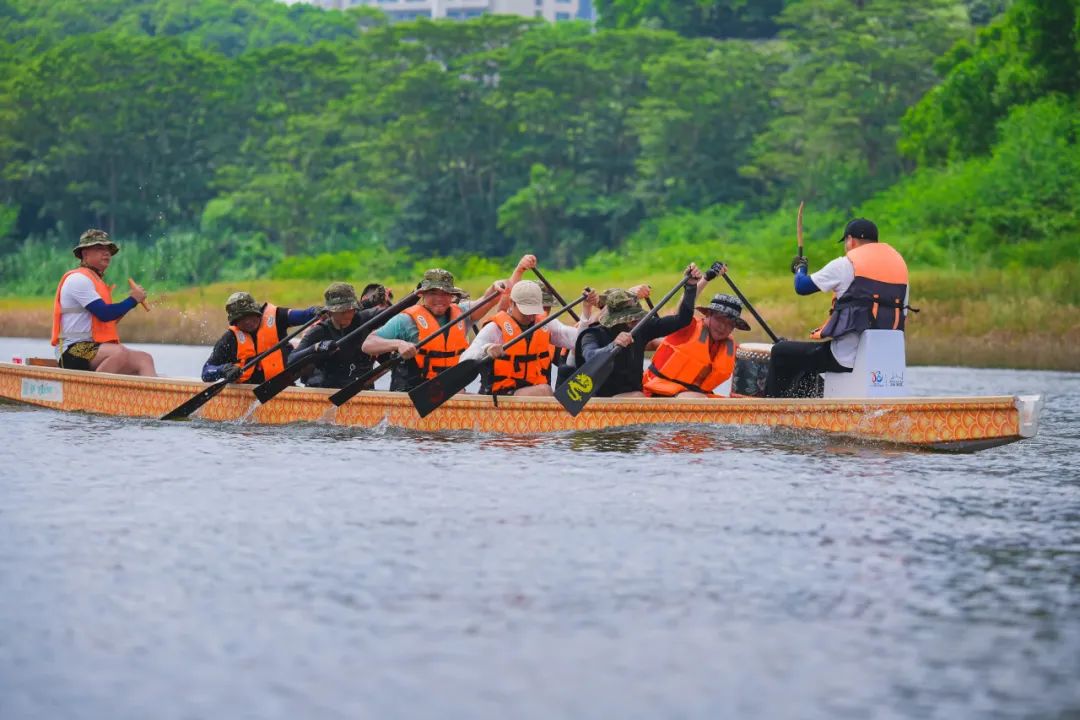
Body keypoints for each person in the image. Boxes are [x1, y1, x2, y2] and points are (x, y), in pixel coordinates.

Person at [766, 218, 909, 397]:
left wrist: (800, 268)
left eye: (846, 243)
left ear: (851, 240)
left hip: (846, 358)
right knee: (806, 359)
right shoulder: (901, 272)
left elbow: (801, 286)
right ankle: (810, 405)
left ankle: (770, 410)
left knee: (781, 351)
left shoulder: (845, 265)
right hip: (885, 361)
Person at [571, 264, 705, 398]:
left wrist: (690, 287)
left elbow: (682, 319)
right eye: (629, 318)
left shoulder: (641, 328)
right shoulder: (592, 335)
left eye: (635, 316)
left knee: (639, 395)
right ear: (614, 319)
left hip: (632, 398)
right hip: (599, 402)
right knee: (637, 396)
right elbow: (590, 357)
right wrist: (613, 346)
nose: (634, 320)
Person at [361, 268, 505, 392]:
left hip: (449, 391)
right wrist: (398, 344)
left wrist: (495, 287)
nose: (439, 299)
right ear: (422, 294)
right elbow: (368, 345)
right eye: (433, 293)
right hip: (413, 393)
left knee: (459, 391)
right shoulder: (405, 320)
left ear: (451, 295)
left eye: (445, 293)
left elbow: (488, 299)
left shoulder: (463, 313)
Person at [461, 281, 595, 397]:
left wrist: (586, 310)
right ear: (512, 303)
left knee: (545, 391)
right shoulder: (495, 328)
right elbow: (466, 358)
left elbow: (577, 340)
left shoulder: (545, 324)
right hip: (501, 396)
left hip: (532, 394)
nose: (531, 317)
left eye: (533, 311)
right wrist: (487, 349)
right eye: (526, 311)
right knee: (544, 391)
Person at [50, 229, 156, 376]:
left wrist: (132, 301)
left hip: (95, 347)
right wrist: (132, 300)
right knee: (119, 353)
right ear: (85, 254)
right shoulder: (78, 279)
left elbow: (108, 321)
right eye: (100, 248)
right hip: (71, 350)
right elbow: (105, 314)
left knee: (145, 359)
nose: (106, 253)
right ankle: (93, 394)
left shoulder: (95, 281)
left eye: (108, 250)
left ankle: (148, 398)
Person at [642, 291, 750, 398]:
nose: (723, 327)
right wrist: (696, 283)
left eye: (730, 324)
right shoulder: (689, 327)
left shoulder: (731, 348)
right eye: (719, 320)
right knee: (698, 399)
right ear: (708, 314)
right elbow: (682, 312)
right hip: (657, 390)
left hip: (694, 396)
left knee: (730, 406)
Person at [201, 292, 322, 384]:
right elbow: (206, 372)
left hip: (283, 385)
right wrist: (224, 370)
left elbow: (304, 315)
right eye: (241, 319)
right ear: (235, 322)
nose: (248, 321)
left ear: (257, 311)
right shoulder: (229, 339)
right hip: (247, 392)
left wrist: (315, 311)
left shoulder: (277, 316)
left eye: (250, 315)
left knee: (314, 354)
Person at [290, 282, 388, 389]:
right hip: (329, 391)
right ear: (331, 312)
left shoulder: (365, 318)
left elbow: (395, 313)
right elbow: (291, 360)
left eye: (351, 309)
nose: (348, 314)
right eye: (342, 311)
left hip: (363, 391)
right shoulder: (319, 331)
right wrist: (315, 347)